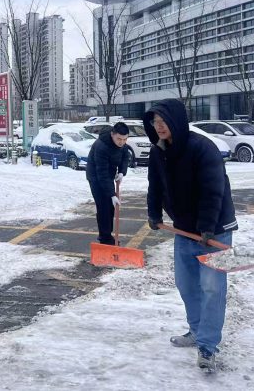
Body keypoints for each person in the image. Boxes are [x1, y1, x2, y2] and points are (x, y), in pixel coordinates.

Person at [143, 99, 238, 373]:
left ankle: (207, 346)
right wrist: (154, 213)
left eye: (163, 121)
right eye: (155, 122)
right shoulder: (158, 151)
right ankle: (196, 331)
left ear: (176, 120)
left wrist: (207, 226)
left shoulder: (202, 148)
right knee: (186, 285)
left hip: (214, 230)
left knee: (212, 289)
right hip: (184, 230)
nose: (159, 126)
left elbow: (213, 189)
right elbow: (155, 186)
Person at [86, 122, 130, 244]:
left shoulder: (122, 144)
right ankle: (105, 238)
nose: (122, 142)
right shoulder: (102, 146)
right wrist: (112, 194)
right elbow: (102, 174)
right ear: (112, 134)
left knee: (110, 207)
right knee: (103, 206)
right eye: (119, 139)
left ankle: (107, 235)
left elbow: (125, 156)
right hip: (95, 177)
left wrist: (122, 172)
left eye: (125, 139)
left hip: (108, 175)